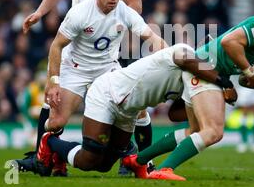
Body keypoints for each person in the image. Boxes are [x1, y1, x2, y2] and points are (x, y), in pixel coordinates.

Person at [18, 0, 153, 174]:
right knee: (54, 110)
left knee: (135, 106)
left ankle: (140, 160)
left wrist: (109, 25)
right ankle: (43, 157)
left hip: (104, 49)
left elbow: (135, 5)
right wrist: (40, 11)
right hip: (75, 40)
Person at [123, 5, 254, 180]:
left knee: (195, 131)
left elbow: (246, 81)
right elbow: (229, 42)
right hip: (204, 67)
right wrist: (251, 72)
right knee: (214, 131)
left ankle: (137, 160)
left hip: (212, 74)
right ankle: (165, 169)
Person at [31, 44, 237, 178]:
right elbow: (186, 59)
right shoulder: (186, 52)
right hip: (108, 93)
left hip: (128, 112)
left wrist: (211, 98)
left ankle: (58, 152)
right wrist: (222, 81)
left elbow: (174, 114)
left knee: (103, 166)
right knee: (89, 160)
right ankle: (49, 142)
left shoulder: (191, 81)